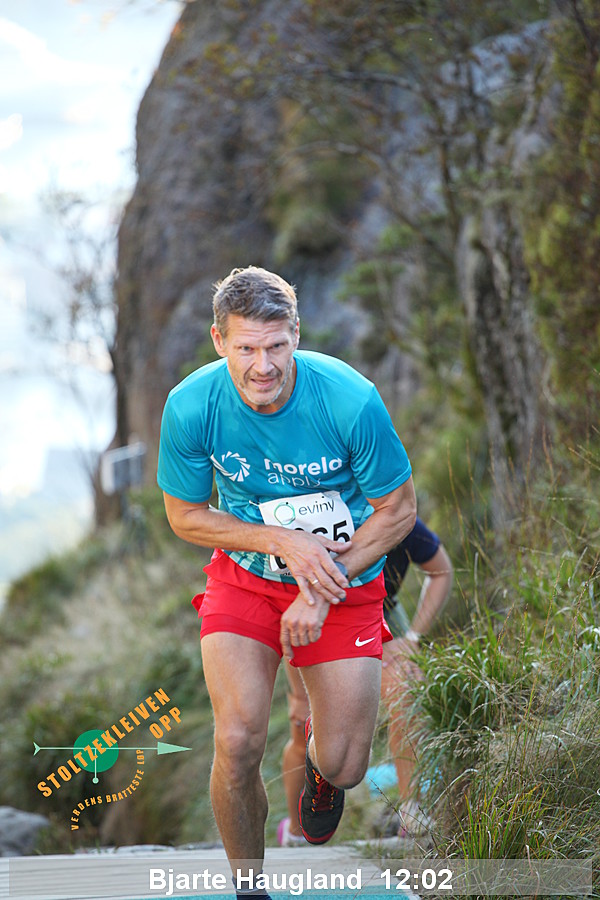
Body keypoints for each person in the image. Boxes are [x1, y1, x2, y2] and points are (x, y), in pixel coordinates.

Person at [157, 266, 416, 896]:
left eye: (276, 346)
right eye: (246, 348)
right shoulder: (191, 405)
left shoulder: (348, 399)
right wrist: (281, 541)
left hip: (345, 579)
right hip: (246, 576)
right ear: (219, 341)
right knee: (237, 738)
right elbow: (185, 515)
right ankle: (250, 887)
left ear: (296, 333)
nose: (263, 366)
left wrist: (320, 583)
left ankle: (323, 767)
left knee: (348, 765)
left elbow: (399, 511)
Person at [277, 517, 453, 847]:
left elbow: (441, 571)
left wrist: (413, 638)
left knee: (406, 689)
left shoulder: (394, 518)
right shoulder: (309, 515)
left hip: (377, 614)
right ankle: (296, 832)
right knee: (302, 722)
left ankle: (413, 812)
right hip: (310, 615)